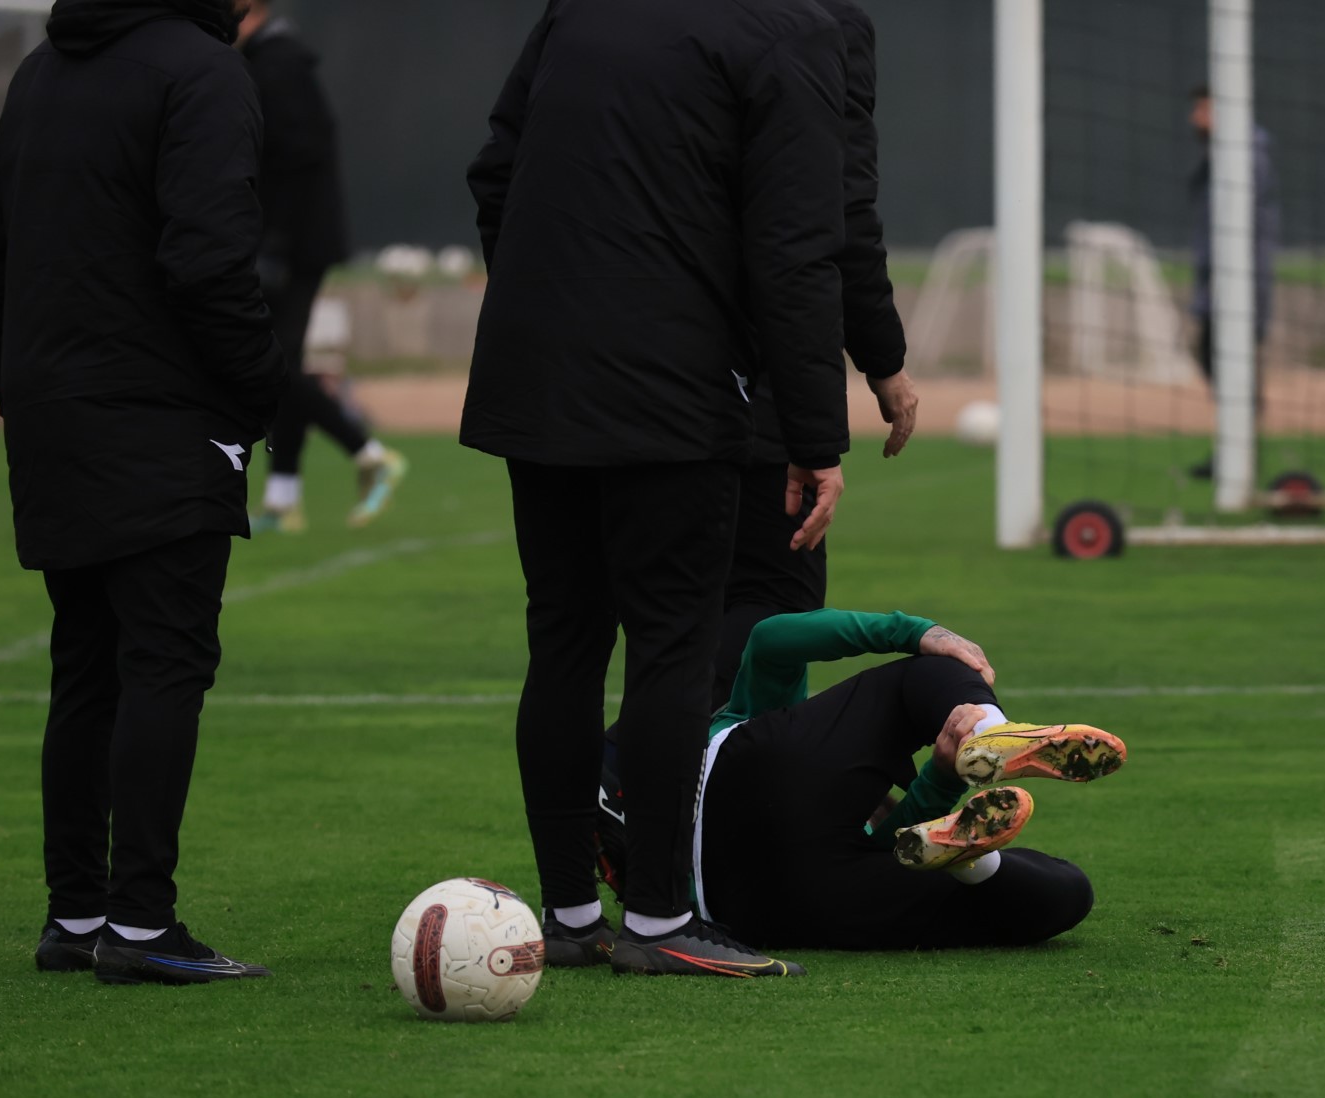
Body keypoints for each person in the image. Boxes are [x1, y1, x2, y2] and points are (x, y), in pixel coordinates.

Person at [465, 0, 852, 978]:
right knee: (672, 646)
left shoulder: (579, 11)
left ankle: (564, 914)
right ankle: (657, 920)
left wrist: (549, 308)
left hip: (537, 373)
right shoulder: (788, 30)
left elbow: (495, 174)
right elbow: (797, 244)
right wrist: (812, 433)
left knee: (561, 639)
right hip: (670, 391)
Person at [0, 0, 287, 986]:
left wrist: (18, 379)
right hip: (160, 416)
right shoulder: (203, 70)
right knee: (164, 660)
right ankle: (141, 926)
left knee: (88, 664)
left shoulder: (42, 71)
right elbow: (207, 259)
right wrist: (258, 391)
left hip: (60, 415)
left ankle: (78, 911)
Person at [594, 610, 1125, 952]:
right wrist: (917, 632)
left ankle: (970, 854)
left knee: (1065, 893)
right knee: (927, 678)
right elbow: (771, 637)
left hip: (753, 913)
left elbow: (771, 640)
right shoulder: (737, 724)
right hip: (785, 848)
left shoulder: (738, 730)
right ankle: (987, 734)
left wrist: (939, 775)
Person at [718, 0, 917, 709]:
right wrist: (883, 361)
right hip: (748, 366)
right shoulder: (819, 27)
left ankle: (648, 794)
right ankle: (658, 783)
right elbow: (835, 221)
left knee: (630, 619)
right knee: (773, 603)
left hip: (619, 362)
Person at [236, 0, 407, 534]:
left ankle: (370, 452)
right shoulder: (272, 60)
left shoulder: (276, 64)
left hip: (290, 249)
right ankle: (285, 496)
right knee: (281, 364)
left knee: (275, 366)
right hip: (293, 244)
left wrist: (275, 242)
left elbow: (298, 155)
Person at [1188, 83, 1281, 480]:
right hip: (1223, 276)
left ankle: (1239, 450)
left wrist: (1225, 276)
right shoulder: (1222, 155)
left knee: (1227, 357)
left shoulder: (1244, 156)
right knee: (1213, 354)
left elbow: (1242, 222)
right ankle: (1235, 447)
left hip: (1241, 278)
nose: (1194, 118)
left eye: (1202, 109)